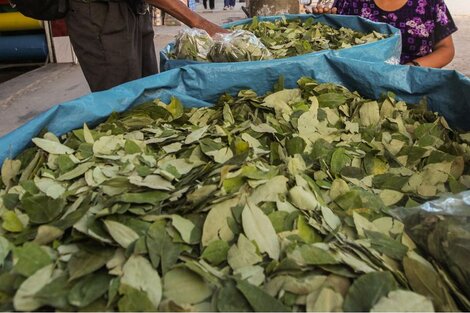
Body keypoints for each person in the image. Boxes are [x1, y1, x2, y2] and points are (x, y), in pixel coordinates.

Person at [66, 0, 226, 92]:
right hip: (100, 11)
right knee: (122, 97)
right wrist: (201, 23)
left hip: (134, 7)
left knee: (148, 87)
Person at [309, 0, 457, 68]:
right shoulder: (350, 2)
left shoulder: (429, 3)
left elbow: (446, 49)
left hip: (414, 83)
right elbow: (338, 43)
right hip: (361, 82)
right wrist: (324, 23)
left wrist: (409, 69)